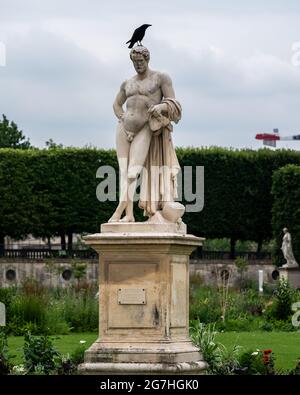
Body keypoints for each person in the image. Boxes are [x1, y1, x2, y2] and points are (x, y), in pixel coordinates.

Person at [108, 46, 182, 223]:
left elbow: (175, 104)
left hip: (145, 128)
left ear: (147, 59)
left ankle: (118, 213)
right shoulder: (127, 83)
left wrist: (161, 107)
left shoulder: (160, 78)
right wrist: (121, 117)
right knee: (124, 172)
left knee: (133, 173)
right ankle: (129, 215)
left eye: (140, 61)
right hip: (123, 129)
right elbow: (117, 104)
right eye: (135, 62)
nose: (138, 65)